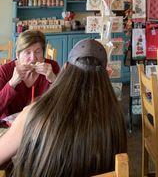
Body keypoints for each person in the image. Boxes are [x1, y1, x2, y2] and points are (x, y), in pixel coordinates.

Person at [0, 38, 127, 176]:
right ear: (108, 74)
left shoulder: (34, 113)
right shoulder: (116, 118)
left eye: (37, 52)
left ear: (65, 69)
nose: (33, 58)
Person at [0, 30, 60, 120]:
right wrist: (12, 83)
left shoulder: (52, 67)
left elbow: (63, 104)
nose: (33, 58)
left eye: (38, 52)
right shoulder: (5, 70)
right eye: (27, 52)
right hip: (10, 126)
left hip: (41, 123)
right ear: (18, 55)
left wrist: (53, 79)